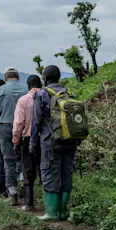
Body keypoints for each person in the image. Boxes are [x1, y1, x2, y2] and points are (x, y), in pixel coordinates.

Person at [31, 65, 80, 221]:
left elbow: (36, 121)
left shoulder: (42, 94)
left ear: (44, 77)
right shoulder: (68, 94)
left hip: (50, 142)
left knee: (50, 173)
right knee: (66, 173)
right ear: (59, 77)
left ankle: (51, 213)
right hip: (70, 140)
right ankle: (63, 211)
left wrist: (32, 141)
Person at [0, 68, 28, 205]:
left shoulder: (0, 91)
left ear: (5, 78)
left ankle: (13, 193)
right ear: (18, 76)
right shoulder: (26, 89)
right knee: (23, 157)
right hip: (25, 127)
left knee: (8, 160)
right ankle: (24, 182)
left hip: (6, 126)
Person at [13, 75, 43, 211]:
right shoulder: (48, 98)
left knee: (28, 171)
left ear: (28, 85)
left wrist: (16, 140)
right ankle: (50, 204)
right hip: (46, 139)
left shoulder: (23, 100)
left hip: (28, 139)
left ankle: (29, 203)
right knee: (46, 170)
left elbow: (19, 123)